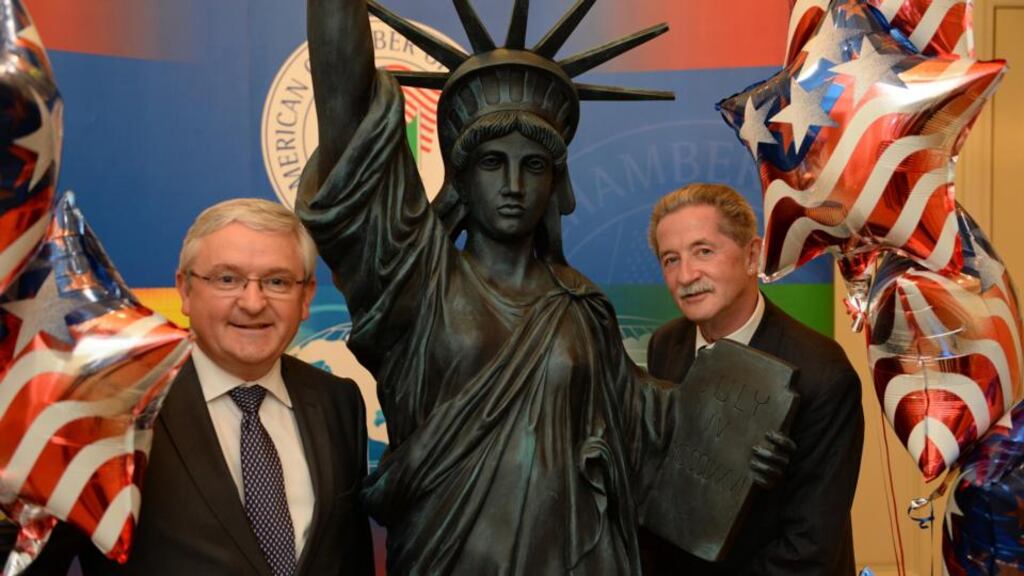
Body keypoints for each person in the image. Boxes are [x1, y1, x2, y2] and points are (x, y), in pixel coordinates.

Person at [297, 2, 790, 574]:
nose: (513, 185)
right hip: (447, 556)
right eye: (490, 163)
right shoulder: (417, 280)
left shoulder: (580, 307)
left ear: (555, 183)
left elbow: (644, 426)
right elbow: (346, 107)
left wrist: (739, 444)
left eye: (534, 165)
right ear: (459, 177)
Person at [26, 198, 374, 576]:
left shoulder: (338, 401)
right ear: (186, 290)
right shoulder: (111, 407)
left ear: (306, 297)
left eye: (277, 281)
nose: (253, 302)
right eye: (227, 279)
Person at [641, 183, 864, 575]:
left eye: (703, 251)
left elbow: (809, 548)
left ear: (752, 255)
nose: (686, 275)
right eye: (670, 260)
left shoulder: (823, 373)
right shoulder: (666, 345)